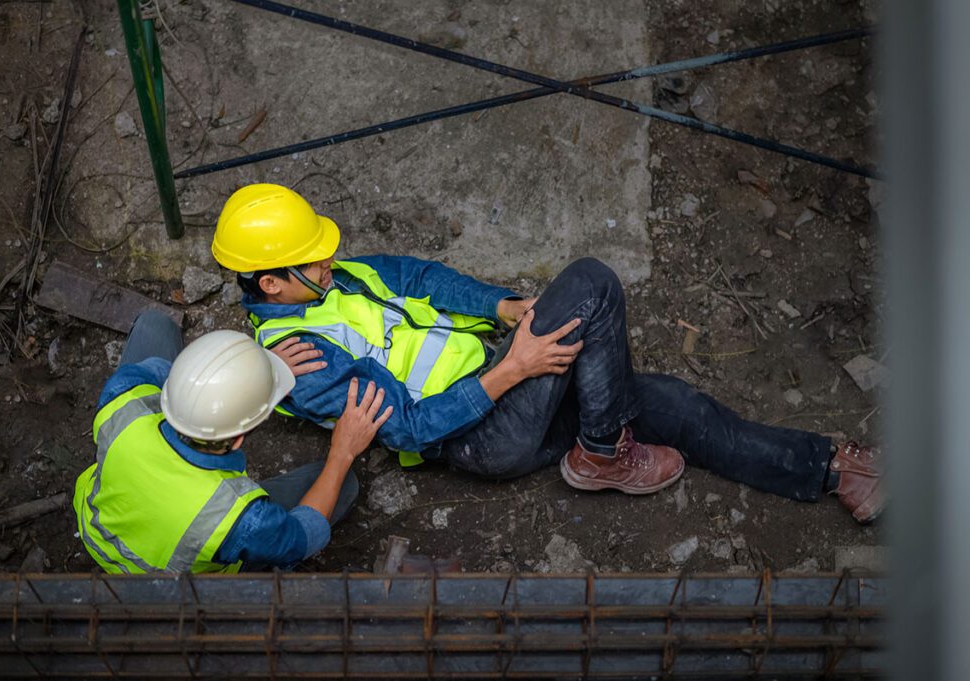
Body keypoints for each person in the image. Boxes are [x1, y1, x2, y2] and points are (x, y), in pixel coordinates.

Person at [211, 183, 883, 523]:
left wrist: (504, 308)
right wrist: (514, 368)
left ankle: (828, 468)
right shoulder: (303, 360)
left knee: (673, 402)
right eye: (313, 260)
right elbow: (411, 428)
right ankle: (599, 451)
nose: (331, 258)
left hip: (501, 374)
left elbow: (417, 277)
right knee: (591, 282)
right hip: (476, 435)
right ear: (273, 283)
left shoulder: (336, 278)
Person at [72, 310, 392, 574]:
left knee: (154, 325)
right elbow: (303, 536)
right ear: (238, 440)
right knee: (343, 484)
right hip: (164, 584)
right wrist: (342, 451)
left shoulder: (124, 396)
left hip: (95, 529)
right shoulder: (238, 517)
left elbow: (177, 380)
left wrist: (250, 370)